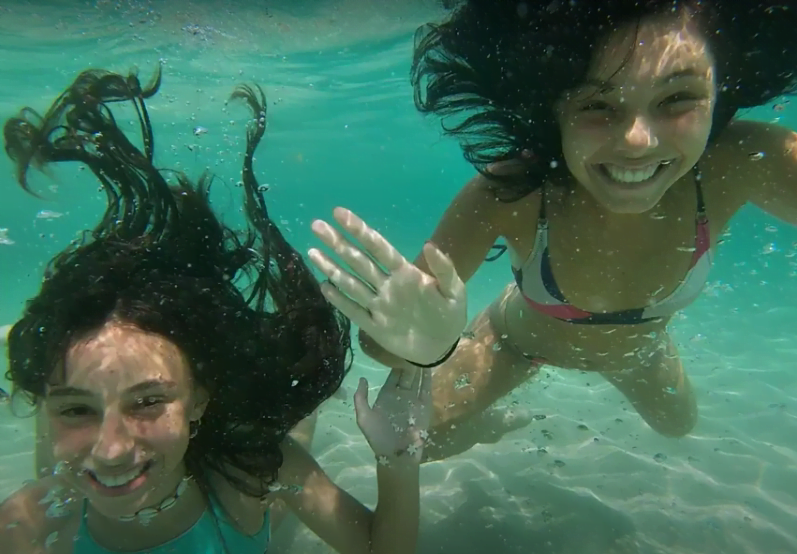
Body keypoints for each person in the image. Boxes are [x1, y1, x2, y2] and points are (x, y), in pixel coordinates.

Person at [307, 0, 797, 460]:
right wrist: (426, 346)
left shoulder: (743, 161)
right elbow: (382, 343)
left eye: (677, 97)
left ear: (722, 88)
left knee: (679, 425)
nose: (637, 141)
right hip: (517, 343)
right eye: (597, 105)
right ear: (552, 108)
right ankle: (493, 426)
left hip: (640, 353)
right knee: (403, 445)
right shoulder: (515, 192)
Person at [0, 65, 429, 554]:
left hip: (240, 487)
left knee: (279, 450)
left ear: (199, 398)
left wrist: (399, 458)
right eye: (75, 408)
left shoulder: (245, 476)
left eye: (147, 402)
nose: (112, 447)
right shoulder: (28, 525)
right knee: (65, 474)